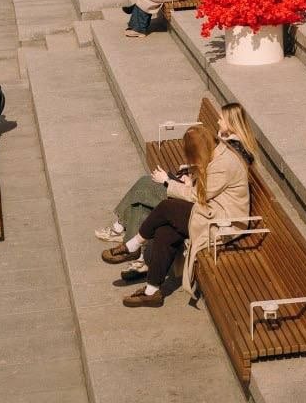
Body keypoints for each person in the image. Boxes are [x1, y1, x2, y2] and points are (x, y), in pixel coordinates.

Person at [98, 103, 257, 285]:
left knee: (150, 192)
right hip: (201, 195)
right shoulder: (224, 144)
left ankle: (129, 239)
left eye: (221, 118)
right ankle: (143, 267)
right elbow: (208, 176)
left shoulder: (230, 153)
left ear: (232, 123)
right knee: (149, 206)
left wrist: (169, 181)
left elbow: (204, 189)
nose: (217, 121)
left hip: (215, 214)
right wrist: (189, 176)